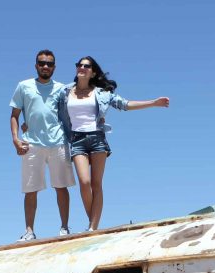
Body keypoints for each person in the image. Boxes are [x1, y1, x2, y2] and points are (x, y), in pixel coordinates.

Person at [48, 56, 168, 231]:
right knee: (84, 182)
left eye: (86, 66)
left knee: (96, 184)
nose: (82, 67)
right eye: (79, 65)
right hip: (76, 140)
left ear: (93, 72)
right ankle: (93, 222)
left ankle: (92, 228)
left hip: (97, 138)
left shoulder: (102, 93)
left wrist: (153, 103)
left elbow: (124, 104)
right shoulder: (64, 91)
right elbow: (50, 110)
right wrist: (28, 121)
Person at [9, 50, 74, 241]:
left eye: (49, 63)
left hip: (58, 142)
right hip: (31, 144)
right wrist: (15, 139)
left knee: (61, 186)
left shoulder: (63, 89)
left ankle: (64, 228)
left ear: (54, 67)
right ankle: (29, 231)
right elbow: (14, 115)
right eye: (42, 63)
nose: (45, 66)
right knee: (30, 189)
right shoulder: (24, 86)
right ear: (36, 65)